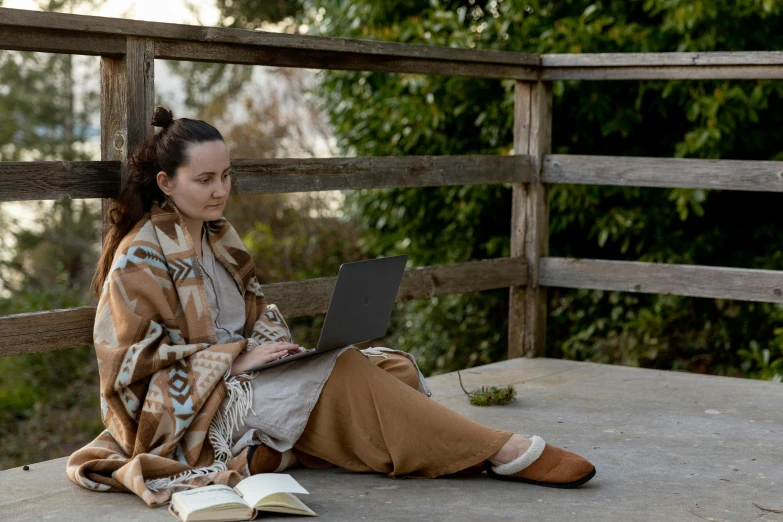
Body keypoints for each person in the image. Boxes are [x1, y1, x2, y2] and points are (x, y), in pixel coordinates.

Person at [66, 107, 595, 508]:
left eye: (225, 176)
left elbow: (258, 311)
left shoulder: (220, 237)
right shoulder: (140, 256)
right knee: (344, 373)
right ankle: (501, 452)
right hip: (203, 405)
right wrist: (231, 360)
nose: (220, 190)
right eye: (204, 180)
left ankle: (275, 451)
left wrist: (275, 349)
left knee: (393, 370)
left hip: (249, 377)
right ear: (166, 182)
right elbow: (127, 365)